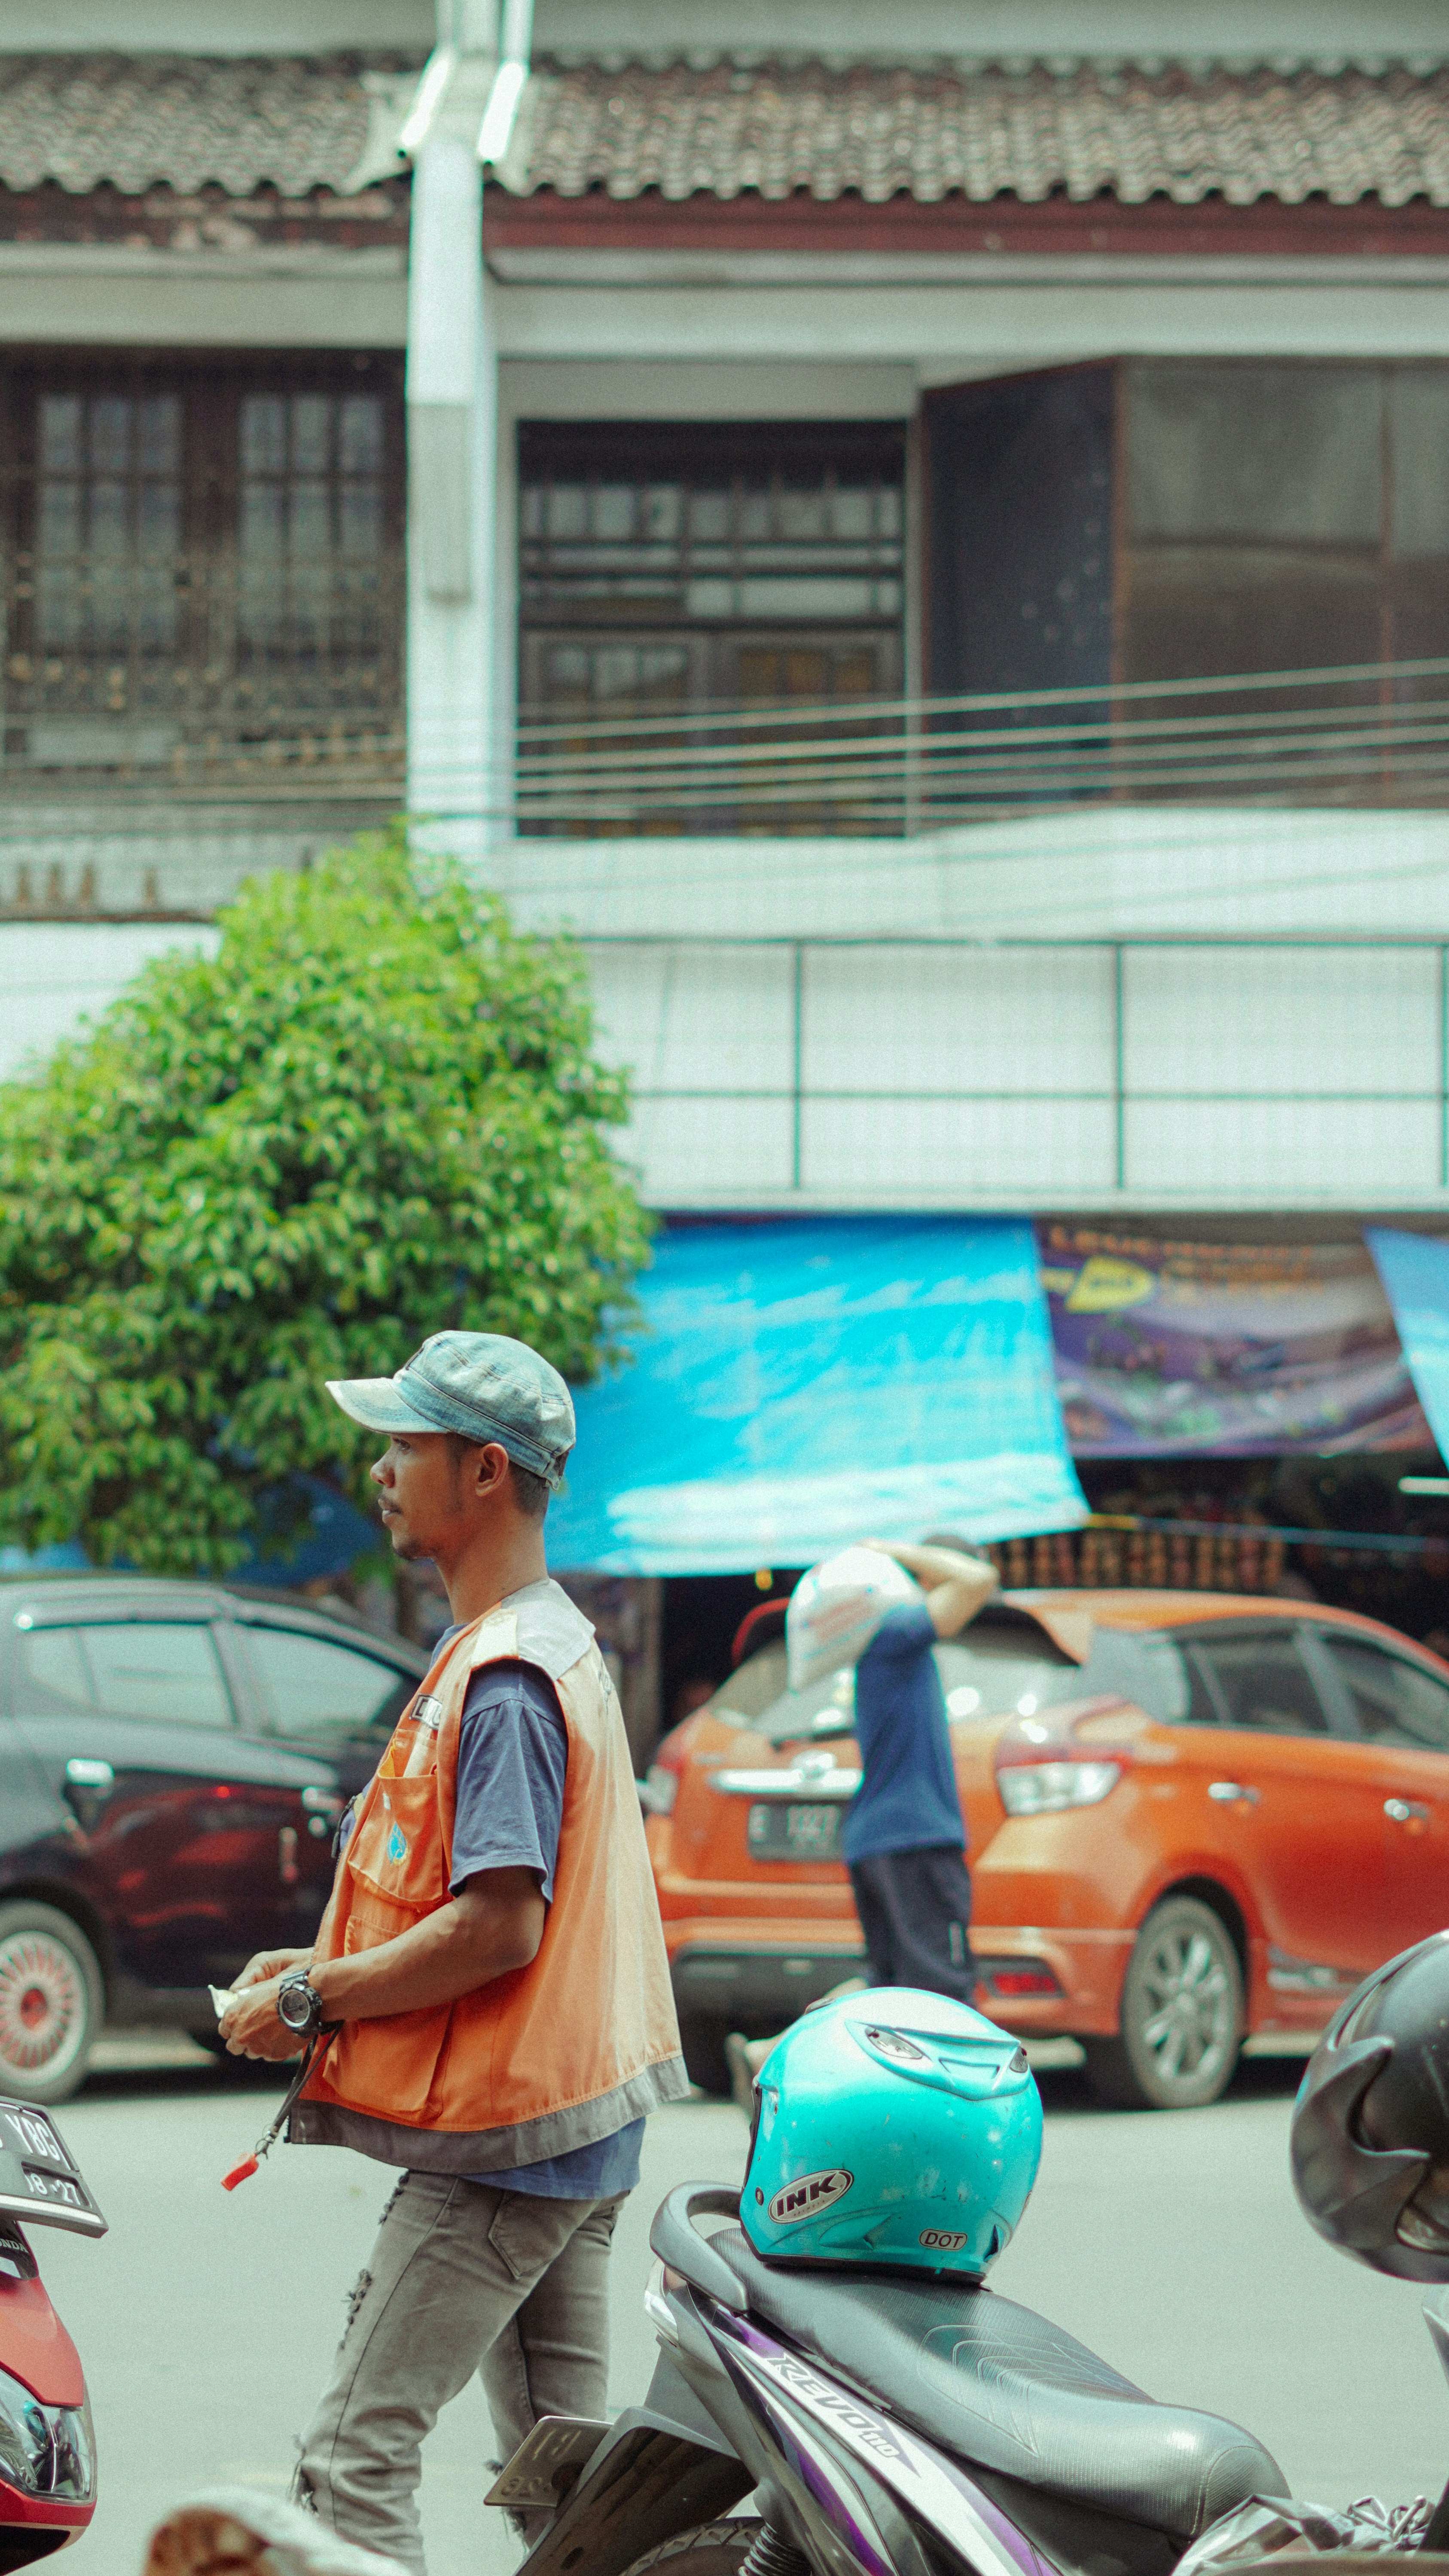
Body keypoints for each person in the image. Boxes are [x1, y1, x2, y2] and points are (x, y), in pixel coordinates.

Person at [220, 1330, 687, 2576]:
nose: (380, 1468)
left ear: (484, 1472)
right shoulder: (544, 1641)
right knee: (565, 2490)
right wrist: (311, 1958)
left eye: (404, 1443)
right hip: (576, 2126)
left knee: (349, 2458)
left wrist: (314, 1997)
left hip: (508, 2139)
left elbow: (500, 1923)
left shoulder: (509, 1676)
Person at [725, 1536, 995, 2112]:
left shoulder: (884, 1648)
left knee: (885, 1979)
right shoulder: (898, 1633)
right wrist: (896, 1549)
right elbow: (975, 1581)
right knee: (941, 1990)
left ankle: (771, 2055)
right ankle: (945, 2118)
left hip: (880, 1836)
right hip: (914, 1837)